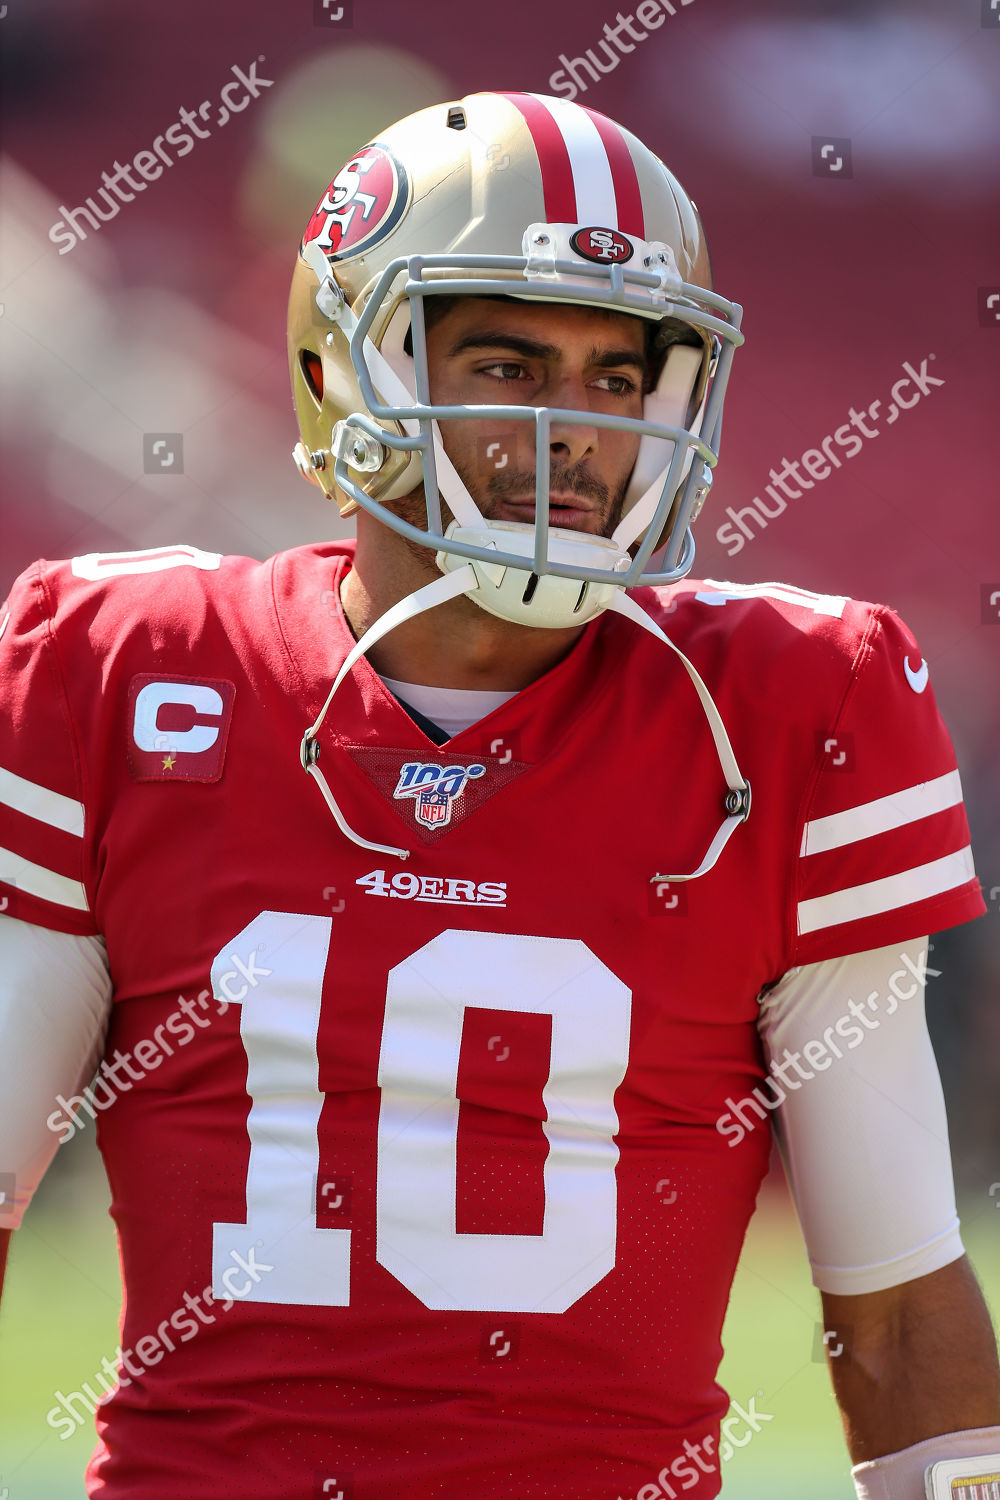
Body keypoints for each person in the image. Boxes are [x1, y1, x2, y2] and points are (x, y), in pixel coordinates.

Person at [0, 89, 997, 1500]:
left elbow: (895, 1310)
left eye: (617, 376)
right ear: (355, 369)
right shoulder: (126, 671)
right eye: (511, 365)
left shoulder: (792, 707)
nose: (576, 431)